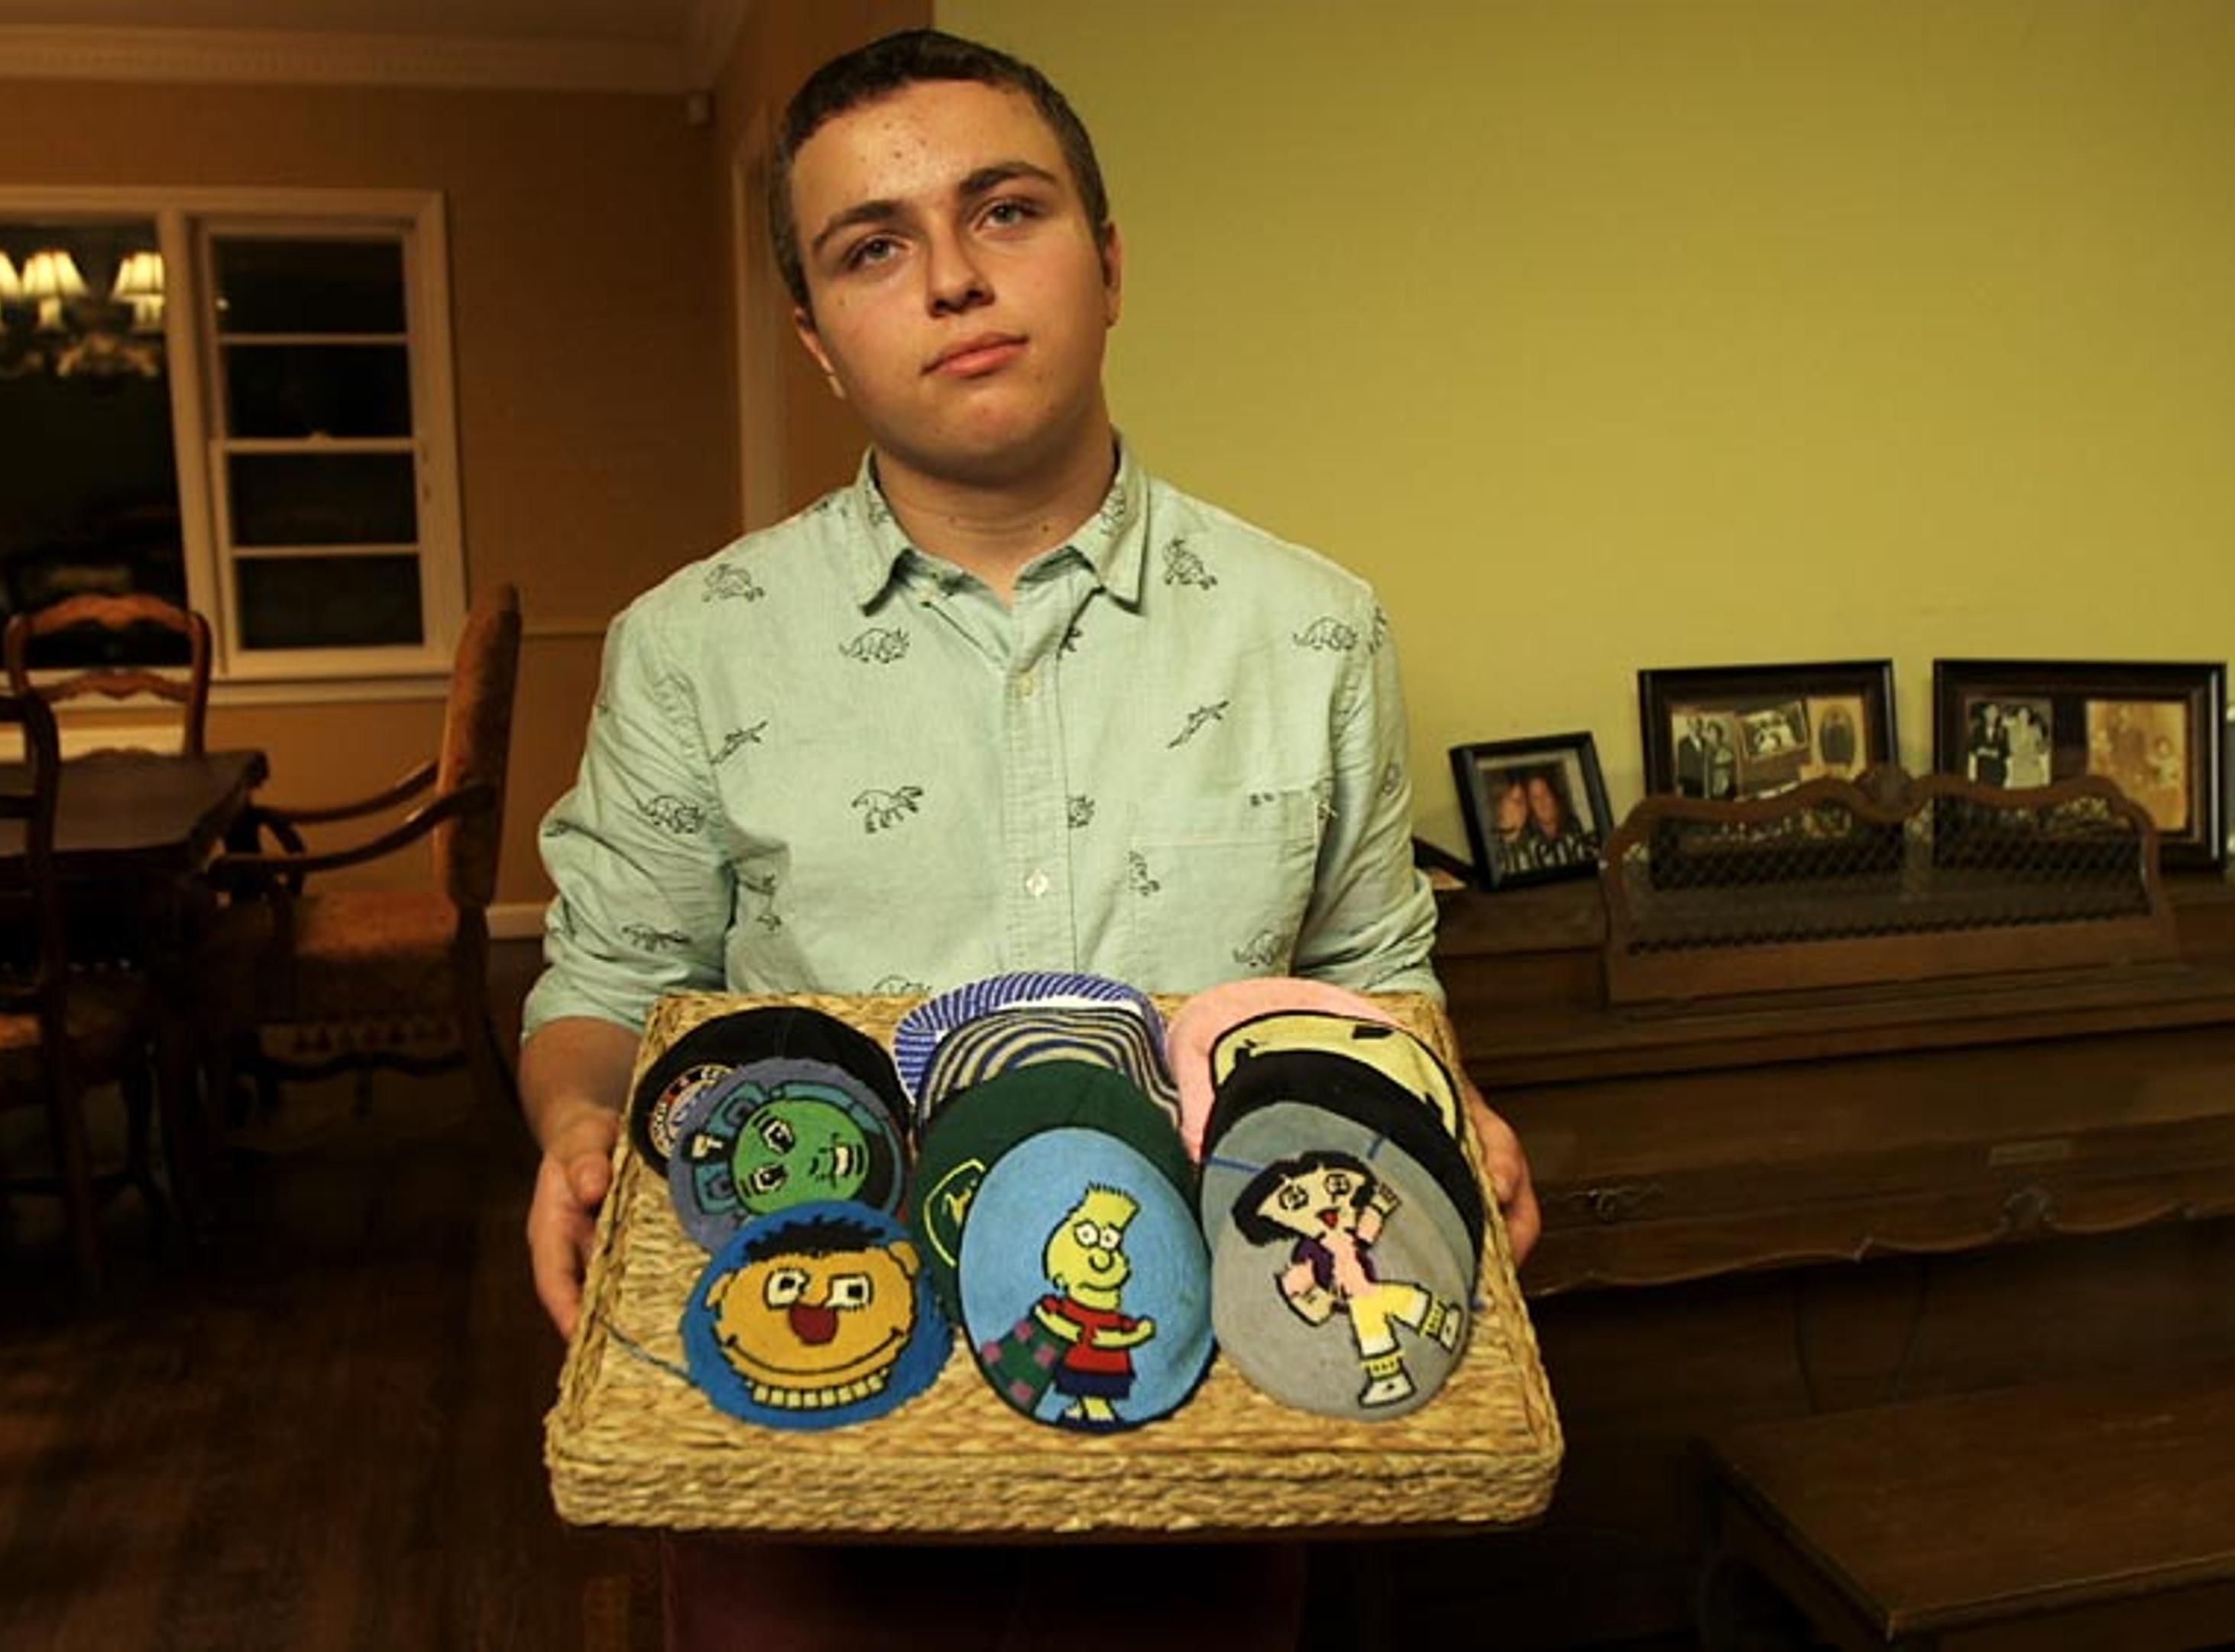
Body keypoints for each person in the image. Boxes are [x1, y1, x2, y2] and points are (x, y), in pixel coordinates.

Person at [517, 28, 1539, 1650]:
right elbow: (609, 982)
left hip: (1211, 1434)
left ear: (1109, 263)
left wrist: (1448, 1102)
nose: (951, 282)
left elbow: (1369, 972)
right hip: (809, 1439)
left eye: (1005, 212)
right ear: (816, 336)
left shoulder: (1314, 632)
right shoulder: (691, 648)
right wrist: (580, 1119)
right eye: (874, 246)